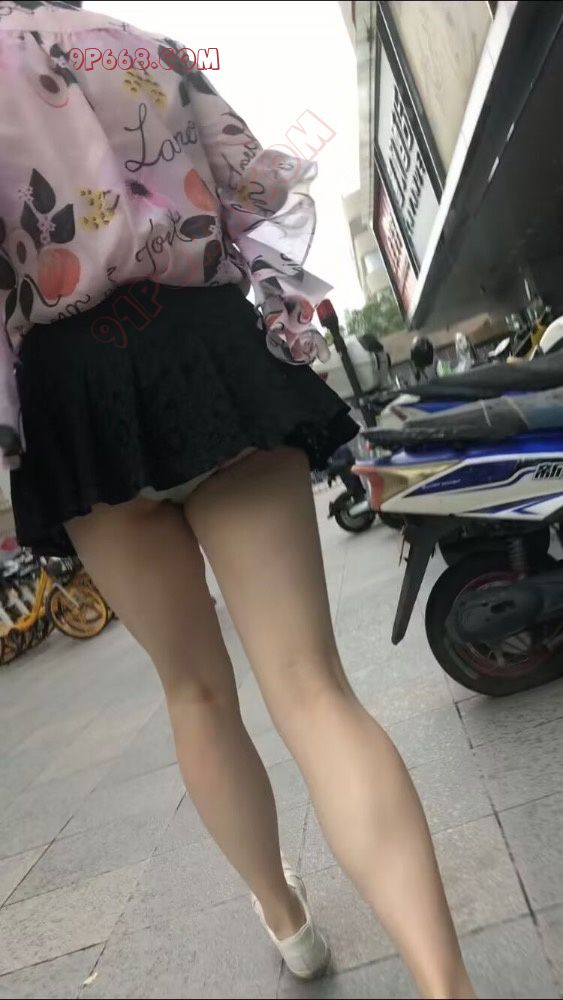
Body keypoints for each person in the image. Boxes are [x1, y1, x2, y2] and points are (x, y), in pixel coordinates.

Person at [0, 3, 475, 997]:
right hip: (207, 344)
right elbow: (252, 184)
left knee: (196, 692)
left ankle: (286, 918)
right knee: (311, 686)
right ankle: (446, 986)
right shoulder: (130, 44)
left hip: (72, 387)